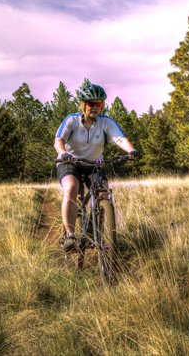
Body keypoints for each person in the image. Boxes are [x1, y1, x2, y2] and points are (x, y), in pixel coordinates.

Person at [54, 80, 138, 252]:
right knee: (71, 188)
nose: (95, 107)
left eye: (99, 103)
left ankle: (94, 233)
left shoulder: (105, 122)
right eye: (91, 103)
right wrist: (63, 153)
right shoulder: (72, 120)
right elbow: (59, 140)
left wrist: (131, 150)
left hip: (94, 164)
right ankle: (70, 236)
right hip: (71, 162)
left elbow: (119, 138)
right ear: (83, 105)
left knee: (103, 194)